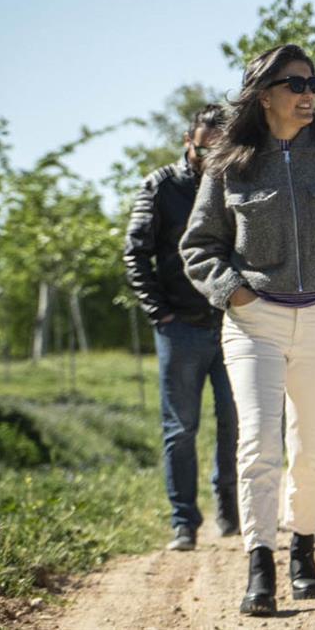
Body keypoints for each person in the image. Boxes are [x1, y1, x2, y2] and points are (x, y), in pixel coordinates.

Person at [180, 44, 315, 617]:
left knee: (314, 447)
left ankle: (304, 550)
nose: (309, 94)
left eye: (314, 84)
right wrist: (236, 295)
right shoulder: (230, 163)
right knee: (259, 445)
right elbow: (199, 246)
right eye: (296, 85)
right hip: (254, 323)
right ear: (264, 94)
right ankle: (260, 563)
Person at [123, 104, 240, 552]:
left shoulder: (236, 181)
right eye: (205, 147)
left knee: (234, 423)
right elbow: (135, 254)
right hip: (180, 328)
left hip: (230, 323)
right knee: (181, 428)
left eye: (220, 149)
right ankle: (183, 522)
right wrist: (159, 312)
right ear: (189, 140)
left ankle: (228, 509)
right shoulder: (159, 186)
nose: (212, 157)